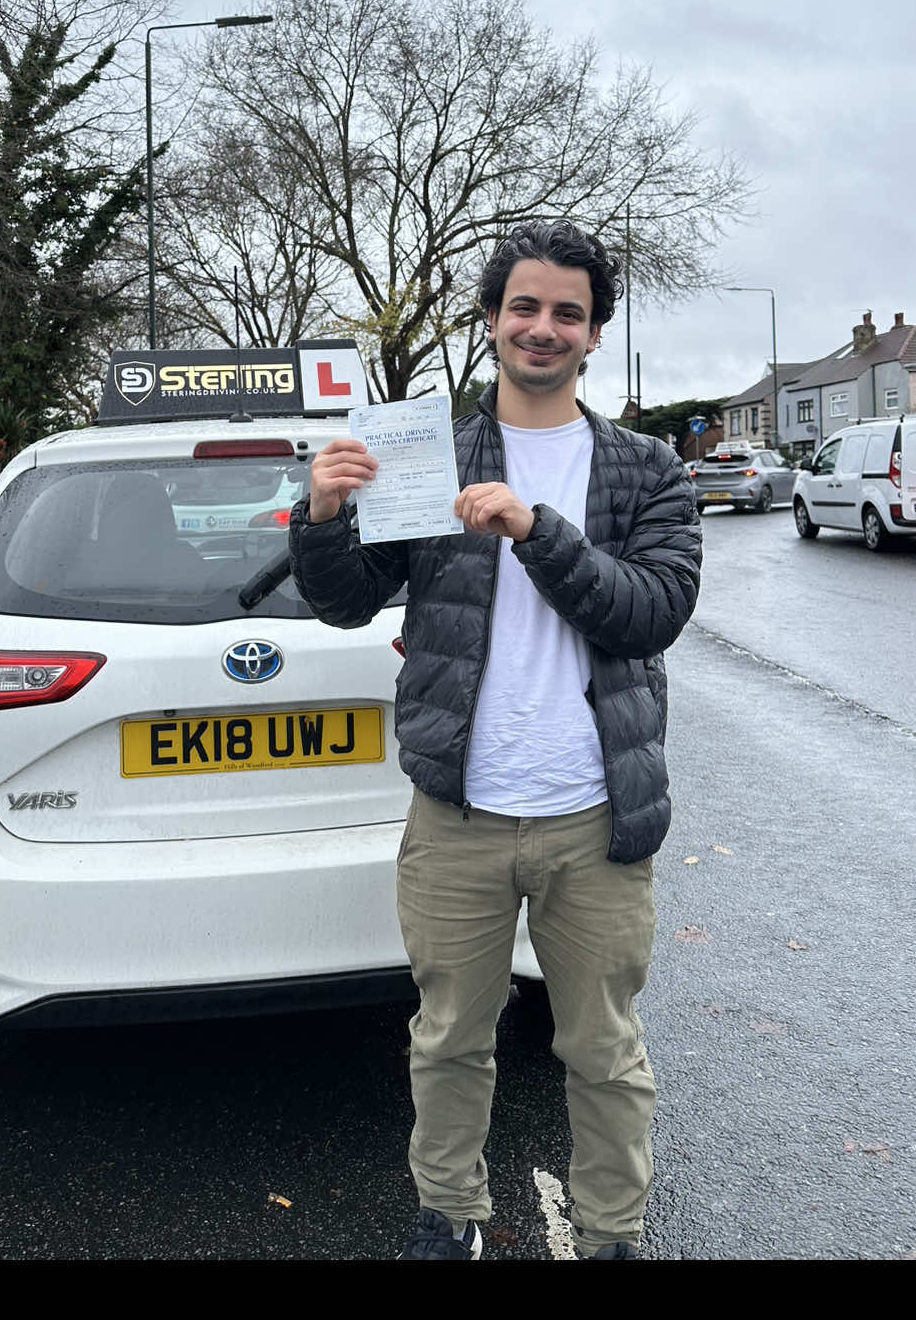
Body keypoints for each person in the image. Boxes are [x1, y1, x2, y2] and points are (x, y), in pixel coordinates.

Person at [287, 219, 702, 1261]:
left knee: (603, 1049)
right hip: (458, 816)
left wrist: (536, 529)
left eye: (568, 312)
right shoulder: (429, 453)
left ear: (594, 334)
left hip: (595, 816)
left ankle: (610, 1233)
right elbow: (346, 600)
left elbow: (652, 611)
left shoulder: (645, 469)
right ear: (490, 319)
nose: (542, 327)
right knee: (448, 1039)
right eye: (524, 306)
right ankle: (450, 1214)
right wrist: (323, 514)